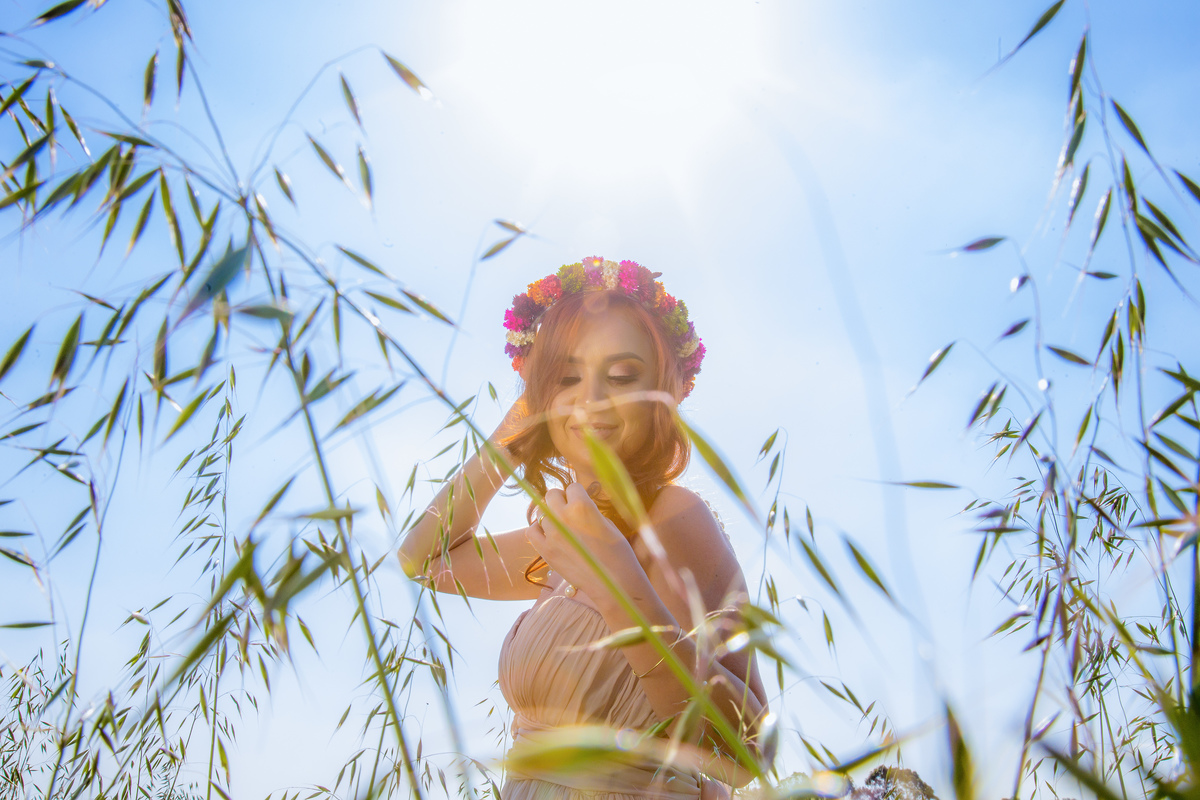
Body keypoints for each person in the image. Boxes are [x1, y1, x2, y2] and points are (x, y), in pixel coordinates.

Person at [399, 257, 772, 800]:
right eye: (567, 377)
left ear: (661, 394)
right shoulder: (566, 539)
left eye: (622, 376)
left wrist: (616, 583)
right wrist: (509, 436)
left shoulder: (676, 518)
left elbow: (748, 753)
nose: (592, 399)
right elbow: (423, 560)